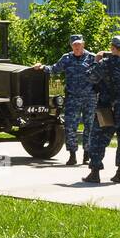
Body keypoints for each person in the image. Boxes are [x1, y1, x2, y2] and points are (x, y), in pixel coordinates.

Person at [82, 35, 120, 184]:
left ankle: (95, 173)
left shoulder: (104, 63)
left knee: (98, 137)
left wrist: (96, 60)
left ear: (113, 48)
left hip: (107, 107)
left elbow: (91, 77)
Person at [33, 33, 97, 166]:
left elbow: (101, 71)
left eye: (79, 44)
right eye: (74, 45)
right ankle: (72, 154)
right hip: (73, 97)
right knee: (70, 126)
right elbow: (54, 69)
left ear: (83, 44)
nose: (77, 47)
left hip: (89, 98)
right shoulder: (66, 58)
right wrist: (42, 67)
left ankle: (87, 154)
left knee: (89, 126)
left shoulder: (92, 58)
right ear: (71, 46)